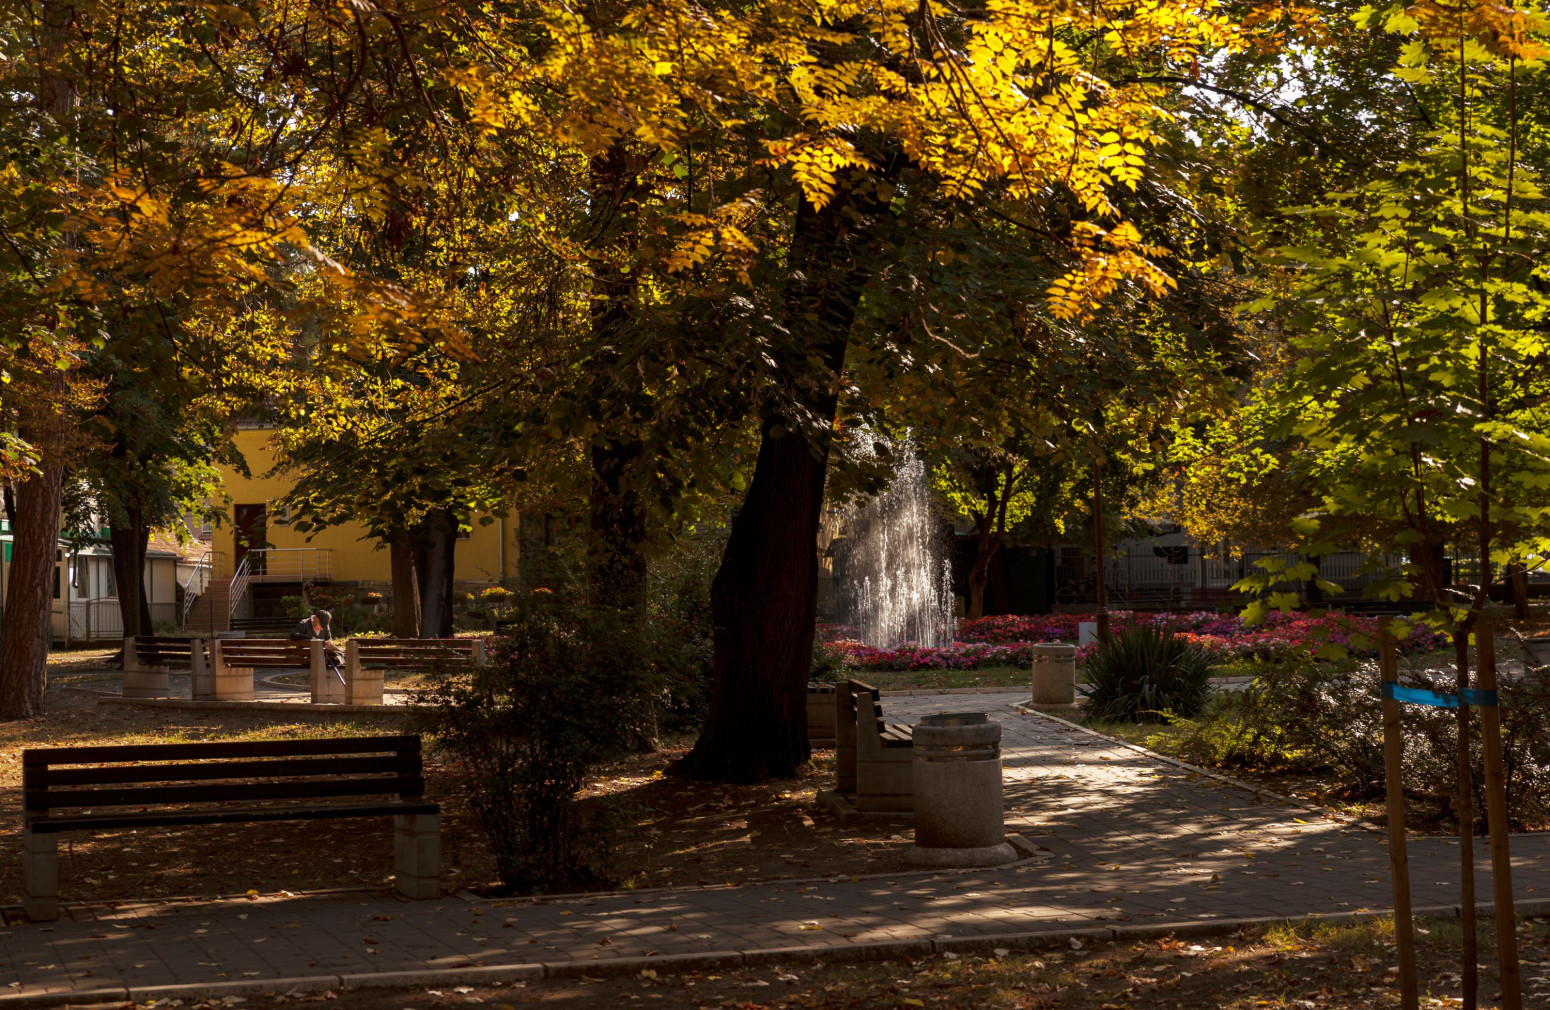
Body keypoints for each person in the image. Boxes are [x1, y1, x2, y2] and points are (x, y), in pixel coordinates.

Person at [290, 609, 345, 684]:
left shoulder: (325, 626)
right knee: (335, 659)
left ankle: (334, 681)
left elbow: (329, 639)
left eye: (324, 625)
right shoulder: (304, 623)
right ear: (315, 618)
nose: (322, 628)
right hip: (308, 655)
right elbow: (293, 635)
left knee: (341, 655)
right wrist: (312, 639)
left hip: (322, 654)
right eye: (321, 624)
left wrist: (330, 646)